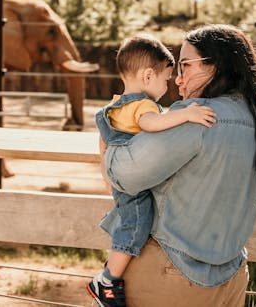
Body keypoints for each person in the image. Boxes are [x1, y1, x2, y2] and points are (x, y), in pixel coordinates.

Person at [97, 25, 256, 307]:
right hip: (231, 278)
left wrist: (109, 133)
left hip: (172, 277)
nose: (178, 79)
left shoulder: (197, 117)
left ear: (217, 66)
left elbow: (123, 175)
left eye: (186, 66)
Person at [88, 33, 217, 307]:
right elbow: (150, 125)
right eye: (166, 79)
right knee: (136, 226)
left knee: (128, 221)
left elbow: (104, 142)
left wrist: (106, 176)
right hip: (134, 183)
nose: (168, 85)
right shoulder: (144, 106)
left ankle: (112, 272)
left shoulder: (113, 106)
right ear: (148, 77)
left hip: (121, 178)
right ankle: (108, 279)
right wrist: (185, 114)